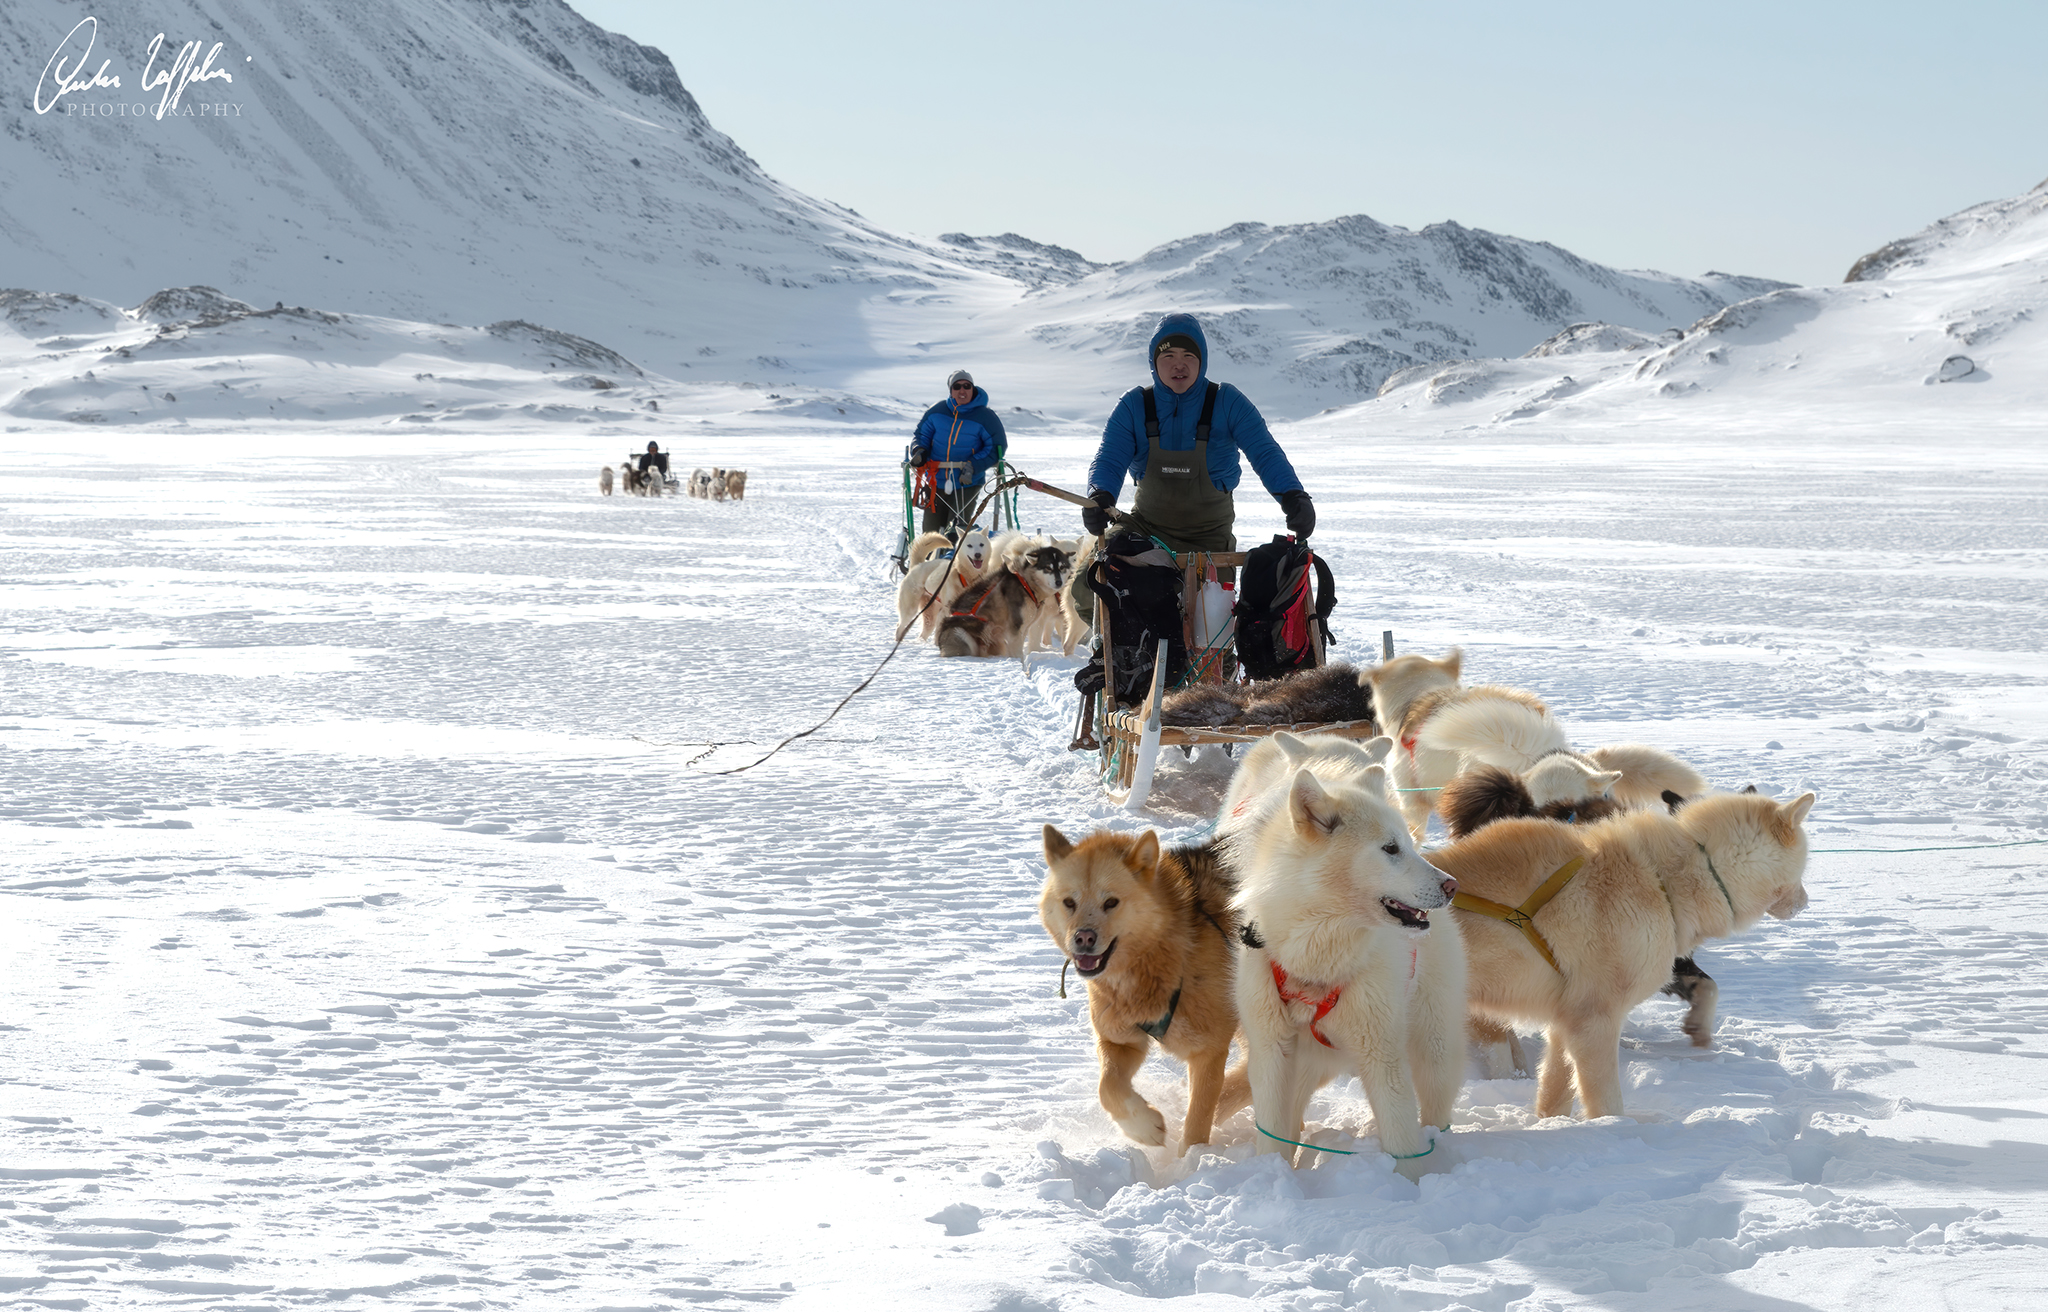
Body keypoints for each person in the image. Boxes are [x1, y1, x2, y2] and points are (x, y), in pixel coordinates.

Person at [1072, 313, 1314, 620]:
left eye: (1189, 355)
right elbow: (1109, 456)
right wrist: (1100, 494)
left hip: (1209, 535)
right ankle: (1123, 657)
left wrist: (1293, 496)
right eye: (1168, 355)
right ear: (1153, 362)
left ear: (1202, 361)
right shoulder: (1134, 406)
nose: (1179, 365)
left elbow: (1265, 452)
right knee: (1090, 581)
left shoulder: (1227, 402)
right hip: (1147, 528)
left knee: (1209, 625)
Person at [906, 370, 1007, 535]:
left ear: (973, 389)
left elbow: (996, 447)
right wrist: (919, 451)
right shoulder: (937, 411)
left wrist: (973, 465)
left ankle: (953, 559)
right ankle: (930, 560)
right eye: (957, 386)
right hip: (936, 479)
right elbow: (921, 435)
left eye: (967, 386)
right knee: (930, 531)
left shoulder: (986, 417)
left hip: (967, 481)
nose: (962, 390)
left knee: (955, 530)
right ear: (950, 390)